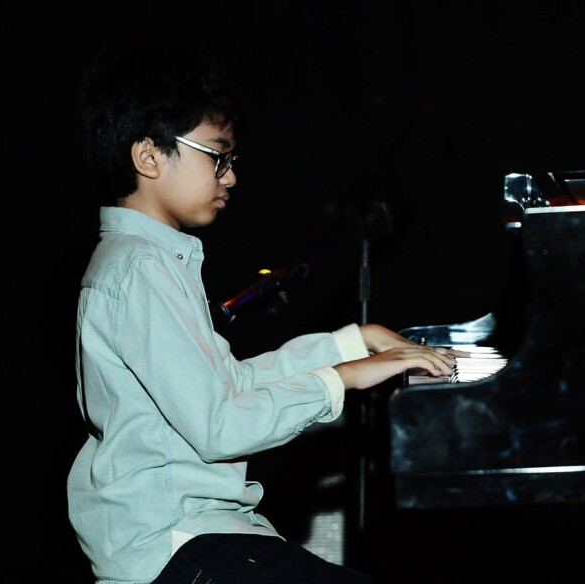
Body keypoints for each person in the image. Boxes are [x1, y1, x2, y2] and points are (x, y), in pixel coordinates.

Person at [67, 38, 462, 584]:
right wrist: (343, 377)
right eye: (217, 155)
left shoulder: (152, 261)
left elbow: (230, 387)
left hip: (201, 533)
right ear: (149, 155)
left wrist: (353, 342)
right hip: (171, 542)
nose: (230, 176)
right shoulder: (137, 271)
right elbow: (221, 427)